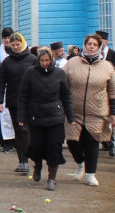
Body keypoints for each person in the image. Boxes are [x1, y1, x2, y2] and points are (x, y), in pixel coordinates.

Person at [63, 34, 115, 186]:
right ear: (84, 45)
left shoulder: (107, 66)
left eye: (95, 44)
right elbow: (61, 82)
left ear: (99, 47)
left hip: (97, 111)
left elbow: (114, 91)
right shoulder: (72, 63)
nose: (92, 46)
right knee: (72, 141)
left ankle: (90, 174)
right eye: (89, 44)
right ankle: (80, 162)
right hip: (74, 111)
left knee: (92, 142)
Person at [16, 47, 74, 191]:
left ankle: (52, 178)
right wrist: (21, 117)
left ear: (51, 60)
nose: (44, 63)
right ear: (38, 60)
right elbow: (23, 97)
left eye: (47, 60)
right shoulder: (30, 73)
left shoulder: (59, 74)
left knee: (54, 147)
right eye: (42, 60)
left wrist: (70, 115)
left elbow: (66, 96)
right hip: (36, 116)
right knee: (37, 146)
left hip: (55, 116)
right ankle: (38, 165)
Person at [0, 31, 37, 175]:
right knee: (20, 131)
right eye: (13, 45)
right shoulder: (7, 61)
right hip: (14, 102)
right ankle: (23, 161)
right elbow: (0, 82)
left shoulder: (32, 59)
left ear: (23, 44)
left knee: (31, 130)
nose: (16, 47)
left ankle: (35, 159)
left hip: (32, 101)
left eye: (18, 44)